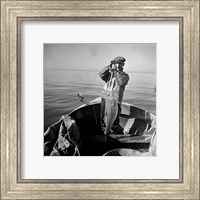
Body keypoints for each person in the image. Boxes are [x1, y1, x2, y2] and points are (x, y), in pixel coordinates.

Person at [99, 56, 129, 134]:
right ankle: (104, 130)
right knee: (103, 115)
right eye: (116, 63)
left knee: (115, 117)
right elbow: (101, 74)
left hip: (116, 100)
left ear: (123, 64)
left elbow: (121, 82)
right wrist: (109, 66)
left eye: (120, 63)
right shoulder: (109, 74)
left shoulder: (125, 75)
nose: (118, 65)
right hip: (106, 98)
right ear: (114, 64)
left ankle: (113, 130)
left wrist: (116, 72)